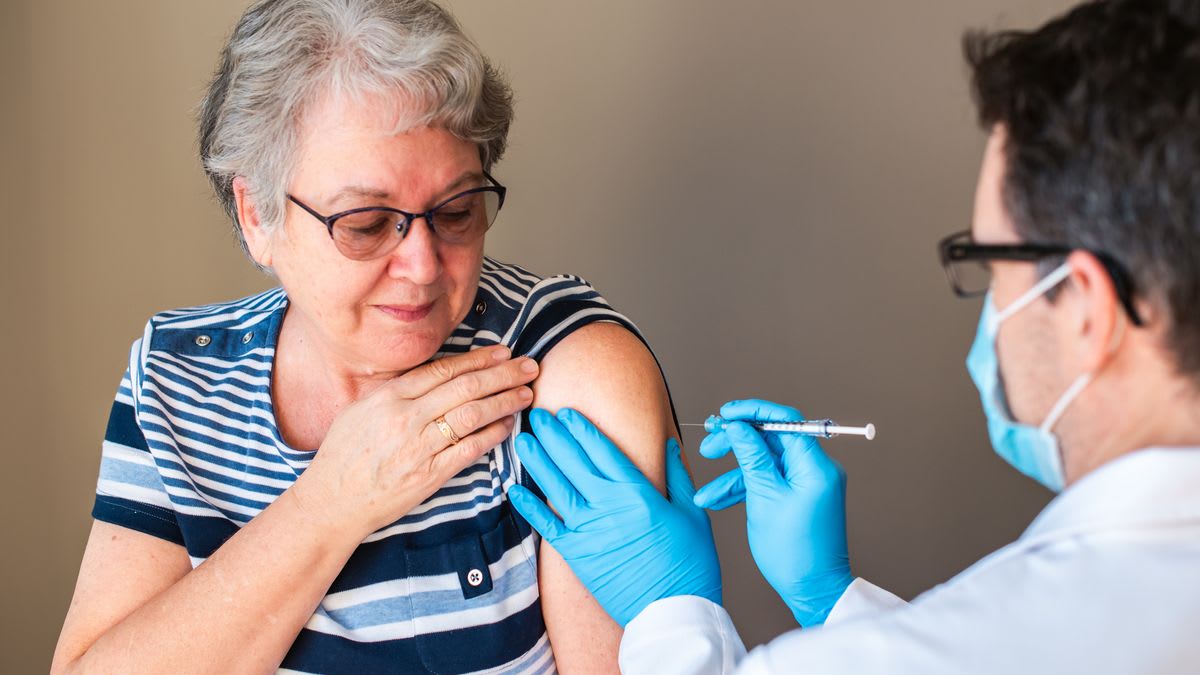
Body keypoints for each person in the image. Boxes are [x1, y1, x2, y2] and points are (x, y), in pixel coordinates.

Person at [507, 0, 1200, 672]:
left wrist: (669, 610)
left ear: (1083, 303)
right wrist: (833, 597)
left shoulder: (986, 635)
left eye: (988, 263)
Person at [50, 1, 680, 672]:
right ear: (256, 213)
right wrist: (332, 502)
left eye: (457, 210)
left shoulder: (565, 369)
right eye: (367, 222)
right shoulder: (177, 381)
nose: (424, 265)